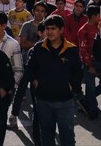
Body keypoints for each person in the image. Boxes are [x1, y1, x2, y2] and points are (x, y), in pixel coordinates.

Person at [25, 15, 82, 146]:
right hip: (43, 100)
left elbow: (78, 72)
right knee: (47, 138)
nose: (49, 32)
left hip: (65, 101)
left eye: (53, 28)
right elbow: (30, 69)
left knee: (67, 138)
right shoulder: (38, 48)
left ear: (61, 30)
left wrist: (71, 87)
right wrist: (35, 82)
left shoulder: (71, 49)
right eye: (47, 28)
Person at [78, 5, 101, 119]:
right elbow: (83, 50)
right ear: (94, 16)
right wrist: (89, 65)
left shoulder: (100, 27)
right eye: (99, 15)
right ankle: (92, 111)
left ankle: (85, 100)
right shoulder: (83, 30)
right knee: (91, 86)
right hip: (89, 62)